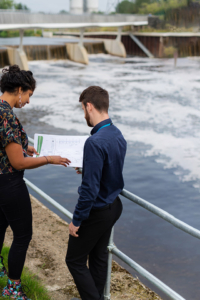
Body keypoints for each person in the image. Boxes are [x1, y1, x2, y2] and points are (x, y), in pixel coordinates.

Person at [0, 65, 71, 300]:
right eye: (29, 95)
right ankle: (12, 289)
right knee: (23, 236)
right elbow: (18, 163)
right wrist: (48, 158)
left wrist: (26, 146)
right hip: (9, 183)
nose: (28, 101)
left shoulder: (1, 109)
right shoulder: (7, 116)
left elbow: (8, 146)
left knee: (0, 225)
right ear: (20, 89)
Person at [66, 86, 127, 300]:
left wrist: (77, 220)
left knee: (74, 260)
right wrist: (88, 168)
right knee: (99, 258)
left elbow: (89, 191)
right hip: (114, 206)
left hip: (96, 211)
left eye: (83, 109)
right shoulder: (117, 134)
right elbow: (110, 168)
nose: (84, 114)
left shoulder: (94, 142)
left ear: (89, 106)